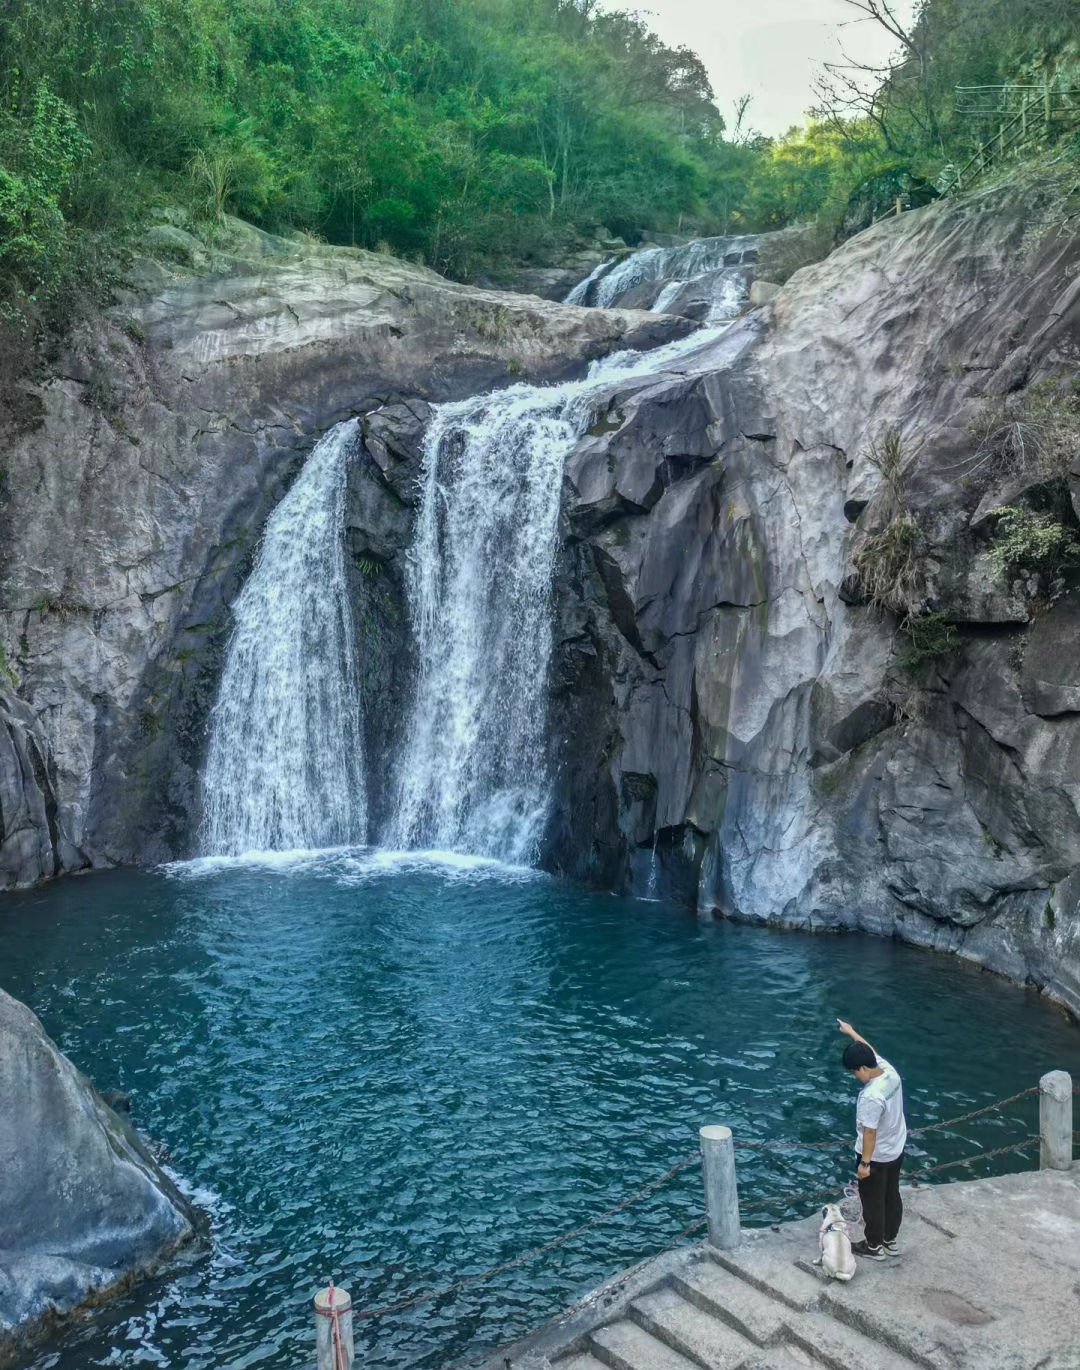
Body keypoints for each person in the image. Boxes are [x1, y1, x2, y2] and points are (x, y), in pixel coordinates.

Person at [838, 1018, 907, 1261]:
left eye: (854, 1072)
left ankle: (874, 1246)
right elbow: (871, 1050)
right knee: (892, 1195)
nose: (855, 1076)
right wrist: (851, 1032)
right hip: (896, 1149)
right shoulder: (890, 1072)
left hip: (876, 1156)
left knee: (872, 1201)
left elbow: (870, 1133)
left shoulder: (871, 1096)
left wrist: (864, 1163)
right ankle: (890, 1240)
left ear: (862, 1069)